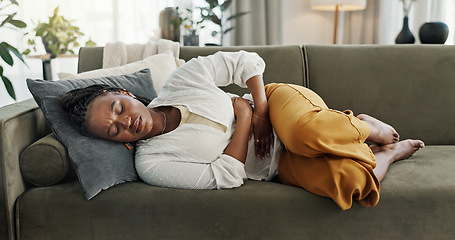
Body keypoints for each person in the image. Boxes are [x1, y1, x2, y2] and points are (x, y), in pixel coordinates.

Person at [61, 51, 424, 210]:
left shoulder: (181, 80)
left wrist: (260, 112)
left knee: (303, 135)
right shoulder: (152, 164)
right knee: (353, 187)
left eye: (118, 109)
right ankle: (386, 153)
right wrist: (244, 118)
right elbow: (228, 176)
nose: (124, 122)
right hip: (272, 165)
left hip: (281, 108)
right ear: (118, 144)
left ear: (124, 94)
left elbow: (245, 61)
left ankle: (362, 126)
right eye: (113, 132)